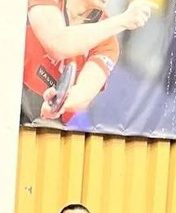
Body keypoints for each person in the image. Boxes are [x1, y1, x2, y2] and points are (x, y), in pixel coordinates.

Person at [23, 0, 154, 122]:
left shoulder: (109, 43)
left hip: (46, 121)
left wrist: (58, 103)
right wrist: (123, 20)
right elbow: (57, 43)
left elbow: (84, 93)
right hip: (14, 92)